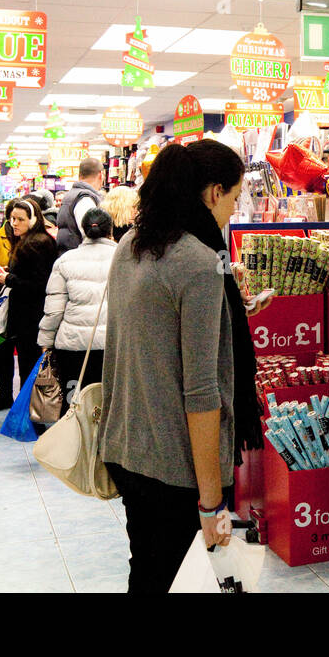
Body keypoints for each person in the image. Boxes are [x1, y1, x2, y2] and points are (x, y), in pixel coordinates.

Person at [99, 140, 244, 593]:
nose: (233, 211)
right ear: (211, 193)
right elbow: (201, 394)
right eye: (235, 199)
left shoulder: (130, 246)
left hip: (128, 445)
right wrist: (210, 500)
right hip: (175, 464)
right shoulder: (199, 264)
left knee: (147, 569)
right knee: (180, 578)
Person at [38, 208, 116, 415]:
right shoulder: (124, 258)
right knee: (109, 404)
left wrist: (45, 341)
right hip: (113, 345)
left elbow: (54, 310)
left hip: (72, 347)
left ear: (83, 230)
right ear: (111, 231)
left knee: (74, 405)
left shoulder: (65, 261)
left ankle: (76, 444)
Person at [0, 197, 57, 407]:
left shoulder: (37, 244)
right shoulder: (31, 241)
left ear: (32, 219)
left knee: (28, 364)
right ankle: (26, 408)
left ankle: (29, 411)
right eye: (12, 219)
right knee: (27, 363)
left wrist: (9, 278)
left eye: (20, 219)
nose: (15, 223)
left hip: (31, 316)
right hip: (26, 315)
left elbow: (39, 284)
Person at [55, 158, 104, 254]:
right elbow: (90, 234)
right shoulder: (85, 198)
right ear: (101, 175)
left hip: (70, 256)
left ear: (79, 175)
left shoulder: (71, 195)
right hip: (80, 258)